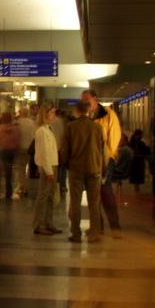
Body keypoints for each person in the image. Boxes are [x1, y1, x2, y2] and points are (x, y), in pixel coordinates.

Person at [61, 100, 104, 243]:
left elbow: (65, 150)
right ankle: (94, 233)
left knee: (75, 202)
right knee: (94, 202)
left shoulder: (70, 127)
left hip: (76, 168)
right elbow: (101, 149)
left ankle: (76, 233)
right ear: (89, 111)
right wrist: (100, 167)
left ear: (77, 111)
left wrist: (65, 164)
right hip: (94, 168)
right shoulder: (97, 127)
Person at [82, 90, 122, 235]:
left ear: (95, 99)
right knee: (93, 193)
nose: (85, 103)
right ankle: (98, 226)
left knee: (106, 191)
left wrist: (108, 156)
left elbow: (114, 137)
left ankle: (114, 225)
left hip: (105, 159)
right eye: (83, 101)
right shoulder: (84, 116)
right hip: (89, 160)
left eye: (87, 100)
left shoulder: (108, 114)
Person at [32, 105, 61, 235]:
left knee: (50, 196)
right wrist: (49, 171)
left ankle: (48, 222)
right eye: (52, 112)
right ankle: (39, 224)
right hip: (47, 167)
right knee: (43, 196)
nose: (54, 115)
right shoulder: (42, 131)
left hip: (53, 164)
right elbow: (44, 154)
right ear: (46, 114)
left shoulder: (48, 129)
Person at [0, 111, 20, 199]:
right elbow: (18, 139)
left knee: (2, 168)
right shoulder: (15, 128)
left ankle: (1, 187)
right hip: (12, 151)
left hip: (2, 150)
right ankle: (9, 188)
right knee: (10, 168)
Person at [14, 108, 35, 199]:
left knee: (21, 168)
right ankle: (25, 186)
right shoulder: (32, 123)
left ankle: (22, 186)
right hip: (29, 148)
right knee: (28, 167)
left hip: (20, 147)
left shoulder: (17, 123)